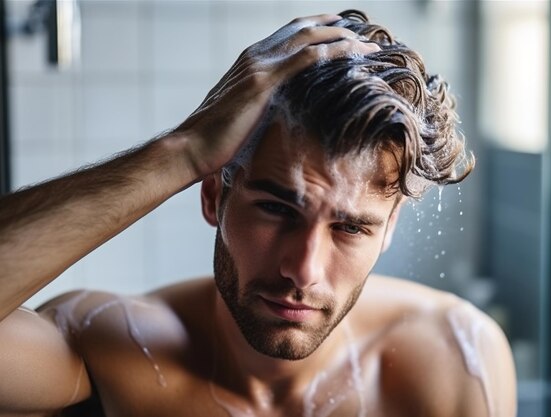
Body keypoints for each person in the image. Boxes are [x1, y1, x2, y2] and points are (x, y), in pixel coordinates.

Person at [0, 10, 516, 417]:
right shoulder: (109, 347)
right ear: (212, 197)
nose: (303, 270)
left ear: (389, 228)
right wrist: (181, 151)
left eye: (350, 227)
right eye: (276, 209)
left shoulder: (456, 357)